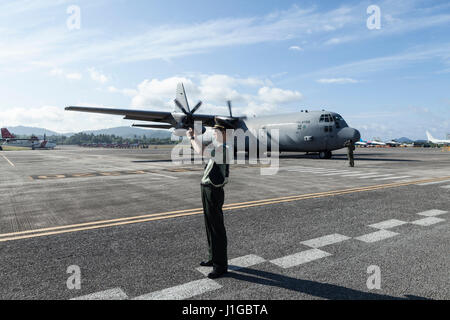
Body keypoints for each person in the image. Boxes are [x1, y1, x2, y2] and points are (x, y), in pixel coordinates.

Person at [186, 123, 230, 279]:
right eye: (214, 131)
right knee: (209, 225)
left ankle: (221, 266)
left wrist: (192, 137)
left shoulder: (223, 149)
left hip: (213, 190)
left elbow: (201, 151)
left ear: (226, 134)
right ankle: (213, 258)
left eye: (218, 131)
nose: (215, 133)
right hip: (206, 188)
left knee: (216, 228)